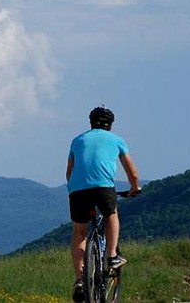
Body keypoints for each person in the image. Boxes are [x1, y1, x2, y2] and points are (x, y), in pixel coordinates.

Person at [66, 106, 141, 303]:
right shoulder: (116, 140)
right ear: (110, 124)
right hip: (103, 187)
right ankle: (112, 256)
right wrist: (134, 187)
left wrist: (77, 187)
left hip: (77, 190)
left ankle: (79, 280)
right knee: (111, 214)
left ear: (90, 122)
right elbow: (132, 173)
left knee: (79, 233)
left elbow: (69, 173)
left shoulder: (78, 140)